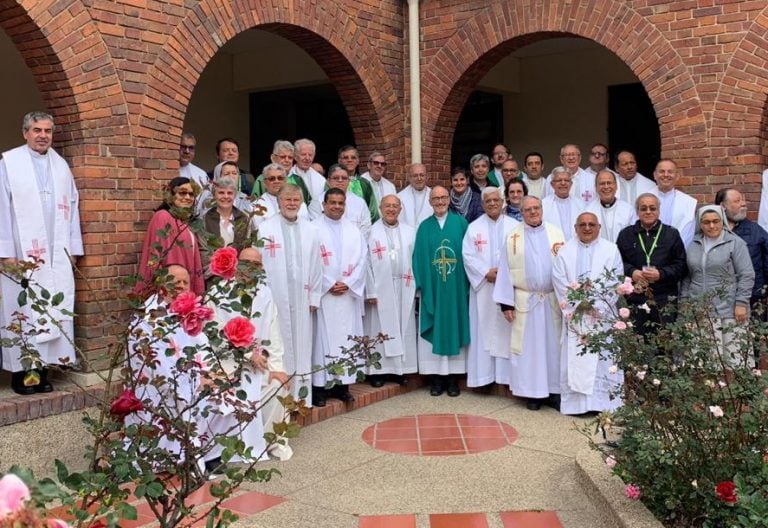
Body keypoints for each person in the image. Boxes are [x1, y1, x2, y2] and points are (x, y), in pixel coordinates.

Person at [0, 111, 84, 394]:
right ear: (25, 133)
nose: (42, 136)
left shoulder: (61, 166)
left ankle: (44, 371)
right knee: (24, 310)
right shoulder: (9, 163)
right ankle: (23, 376)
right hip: (22, 253)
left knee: (53, 307)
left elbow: (73, 208)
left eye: (47, 131)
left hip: (54, 254)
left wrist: (72, 248)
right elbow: (1, 209)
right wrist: (5, 252)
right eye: (37, 130)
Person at [493, 196, 565, 411]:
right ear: (521, 213)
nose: (533, 212)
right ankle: (532, 394)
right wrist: (506, 303)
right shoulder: (513, 236)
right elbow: (505, 270)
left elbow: (565, 266)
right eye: (528, 210)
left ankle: (554, 391)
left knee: (553, 348)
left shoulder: (556, 234)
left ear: (542, 210)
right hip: (526, 301)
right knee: (529, 350)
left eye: (536, 208)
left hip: (551, 299)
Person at [256, 184, 322, 407]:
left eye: (296, 200)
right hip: (276, 297)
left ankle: (301, 397)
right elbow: (260, 266)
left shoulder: (311, 229)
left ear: (301, 203)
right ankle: (281, 397)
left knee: (302, 344)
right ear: (279, 202)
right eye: (287, 200)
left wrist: (314, 297)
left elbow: (317, 265)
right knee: (279, 343)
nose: (292, 204)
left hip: (303, 297)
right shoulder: (265, 229)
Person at [552, 212, 624, 415]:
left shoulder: (611, 250)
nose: (587, 228)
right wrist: (580, 304)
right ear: (575, 228)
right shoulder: (564, 252)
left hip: (602, 318)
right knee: (576, 357)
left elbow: (616, 280)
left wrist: (595, 305)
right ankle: (577, 405)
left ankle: (604, 404)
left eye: (591, 224)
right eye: (582, 224)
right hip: (577, 318)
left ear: (599, 227)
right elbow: (558, 280)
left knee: (603, 359)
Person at [312, 188, 368, 406]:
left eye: (340, 203)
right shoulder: (313, 229)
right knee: (321, 341)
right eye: (332, 202)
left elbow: (363, 261)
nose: (336, 206)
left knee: (346, 339)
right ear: (324, 204)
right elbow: (312, 261)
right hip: (325, 296)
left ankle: (342, 386)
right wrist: (328, 284)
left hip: (346, 295)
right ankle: (319, 389)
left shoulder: (354, 231)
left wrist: (348, 283)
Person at [413, 185, 470, 397]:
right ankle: (435, 380)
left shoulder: (461, 223)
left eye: (443, 197)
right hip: (433, 288)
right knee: (435, 325)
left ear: (449, 199)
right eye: (435, 198)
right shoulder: (424, 227)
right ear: (430, 202)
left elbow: (469, 255)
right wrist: (423, 285)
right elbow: (418, 257)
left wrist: (466, 283)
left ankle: (453, 379)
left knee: (453, 326)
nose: (440, 202)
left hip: (455, 288)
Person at [681, 205, 755, 367]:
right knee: (704, 363)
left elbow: (747, 275)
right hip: (701, 310)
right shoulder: (693, 244)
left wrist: (741, 303)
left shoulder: (735, 243)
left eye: (716, 221)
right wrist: (685, 302)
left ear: (723, 221)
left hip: (730, 310)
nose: (712, 226)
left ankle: (736, 393)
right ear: (700, 224)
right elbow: (688, 276)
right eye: (706, 222)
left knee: (734, 363)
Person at [462, 187, 518, 390]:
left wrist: (505, 275)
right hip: (484, 288)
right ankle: (483, 378)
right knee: (483, 331)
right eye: (488, 201)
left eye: (496, 200)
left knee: (507, 330)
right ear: (483, 204)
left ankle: (506, 378)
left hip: (508, 289)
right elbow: (467, 256)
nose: (492, 204)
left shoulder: (515, 227)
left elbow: (520, 254)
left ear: (503, 202)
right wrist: (485, 271)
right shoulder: (473, 228)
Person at [364, 195, 418, 387]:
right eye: (387, 206)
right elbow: (366, 263)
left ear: (400, 209)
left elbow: (416, 259)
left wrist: (416, 286)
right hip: (380, 288)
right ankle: (377, 370)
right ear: (380, 208)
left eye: (395, 206)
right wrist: (370, 291)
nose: (391, 209)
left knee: (403, 326)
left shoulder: (410, 232)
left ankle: (399, 369)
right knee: (379, 329)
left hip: (404, 285)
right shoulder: (371, 232)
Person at [615, 193, 687, 336]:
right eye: (643, 208)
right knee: (638, 345)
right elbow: (617, 262)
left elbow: (681, 265)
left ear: (659, 211)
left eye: (652, 208)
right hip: (635, 299)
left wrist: (661, 274)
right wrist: (632, 272)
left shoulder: (671, 234)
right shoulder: (626, 234)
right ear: (637, 212)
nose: (648, 211)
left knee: (664, 346)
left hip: (664, 299)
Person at [137, 177, 205, 298]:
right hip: (170, 288)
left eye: (191, 194)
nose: (188, 197)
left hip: (185, 284)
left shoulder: (186, 222)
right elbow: (155, 255)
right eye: (182, 192)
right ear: (171, 195)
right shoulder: (162, 216)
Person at [716, 188, 768, 319]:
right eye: (737, 201)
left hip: (753, 299)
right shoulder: (712, 231)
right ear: (723, 206)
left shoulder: (755, 231)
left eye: (743, 200)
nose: (743, 203)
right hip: (719, 300)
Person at [200, 174, 252, 281]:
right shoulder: (205, 220)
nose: (226, 196)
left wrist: (236, 270)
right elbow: (203, 250)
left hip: (238, 277)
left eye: (230, 193)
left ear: (235, 195)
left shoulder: (244, 219)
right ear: (214, 195)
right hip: (214, 276)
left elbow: (247, 248)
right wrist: (220, 268)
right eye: (221, 193)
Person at [251, 140, 312, 207]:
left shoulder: (298, 180)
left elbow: (306, 204)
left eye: (290, 157)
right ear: (273, 158)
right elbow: (254, 203)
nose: (287, 160)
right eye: (283, 157)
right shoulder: (263, 178)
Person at [651, 159, 697, 247]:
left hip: (677, 253)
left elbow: (688, 234)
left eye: (670, 172)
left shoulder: (689, 202)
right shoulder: (643, 199)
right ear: (654, 175)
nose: (666, 175)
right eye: (662, 171)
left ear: (677, 176)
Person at [585, 170, 636, 242]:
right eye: (602, 183)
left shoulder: (628, 210)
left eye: (609, 183)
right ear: (596, 188)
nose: (606, 187)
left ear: (616, 186)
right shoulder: (589, 211)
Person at [252, 163, 309, 227]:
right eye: (272, 178)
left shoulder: (299, 202)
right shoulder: (256, 206)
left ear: (285, 180)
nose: (276, 181)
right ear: (264, 183)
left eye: (280, 178)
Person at [326, 164, 372, 236]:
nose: (340, 180)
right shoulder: (317, 201)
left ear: (349, 181)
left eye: (344, 178)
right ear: (328, 181)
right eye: (336, 178)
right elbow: (317, 228)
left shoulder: (360, 202)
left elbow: (366, 228)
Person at [337, 145, 379, 223]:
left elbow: (373, 213)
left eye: (353, 157)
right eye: (346, 157)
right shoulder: (332, 181)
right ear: (339, 161)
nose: (350, 160)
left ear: (358, 161)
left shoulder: (365, 183)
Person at [289, 139, 327, 220]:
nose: (307, 158)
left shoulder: (321, 180)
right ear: (295, 156)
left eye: (310, 155)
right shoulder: (288, 177)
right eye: (303, 154)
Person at [542, 167, 583, 240]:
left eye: (566, 180)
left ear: (571, 184)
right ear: (552, 184)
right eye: (559, 180)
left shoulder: (581, 205)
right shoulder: (543, 205)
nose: (563, 183)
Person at [397, 163, 432, 227]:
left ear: (427, 177)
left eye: (422, 175)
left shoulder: (434, 196)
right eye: (415, 176)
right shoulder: (400, 197)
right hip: (407, 235)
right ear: (409, 178)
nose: (419, 178)